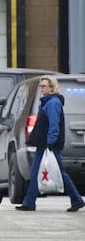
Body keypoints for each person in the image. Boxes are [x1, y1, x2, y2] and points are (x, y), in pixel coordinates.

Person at [16, 75, 85, 212]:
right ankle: (30, 202)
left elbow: (54, 125)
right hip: (44, 144)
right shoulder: (47, 102)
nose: (41, 88)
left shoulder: (53, 103)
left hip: (48, 145)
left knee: (50, 173)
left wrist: (50, 142)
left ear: (52, 88)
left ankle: (75, 199)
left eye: (44, 86)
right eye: (41, 86)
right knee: (44, 172)